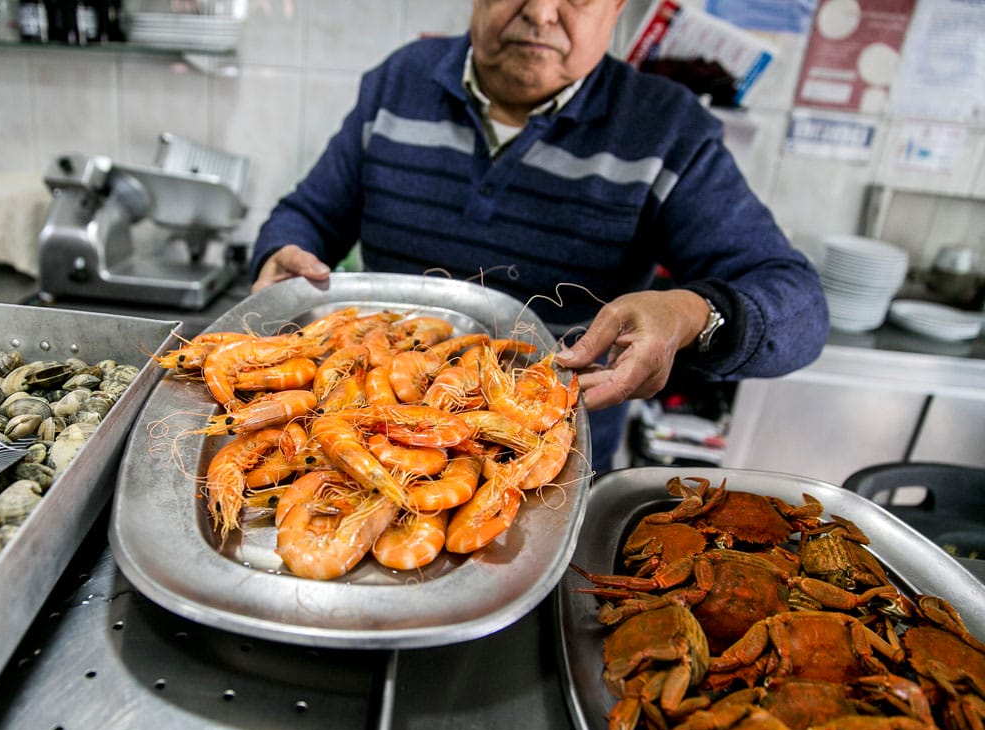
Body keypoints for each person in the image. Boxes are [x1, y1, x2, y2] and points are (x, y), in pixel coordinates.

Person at [248, 0, 829, 473]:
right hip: (359, 429)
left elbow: (799, 305)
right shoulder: (399, 81)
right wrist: (281, 249)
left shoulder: (667, 129)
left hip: (554, 456)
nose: (543, 12)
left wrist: (687, 313)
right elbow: (308, 213)